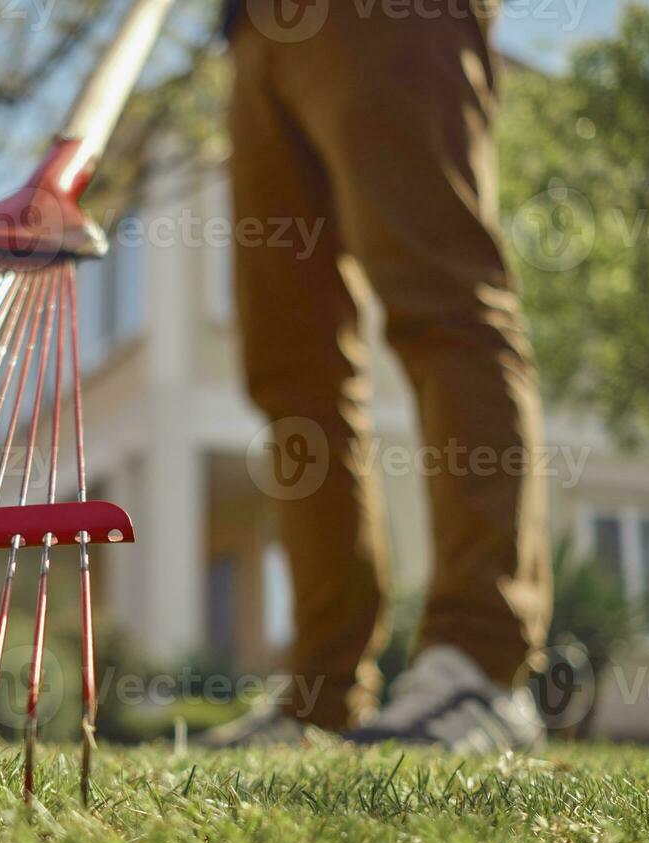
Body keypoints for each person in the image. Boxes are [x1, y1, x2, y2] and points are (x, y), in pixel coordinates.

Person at [203, 0, 551, 751]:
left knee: (445, 306)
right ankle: (322, 692)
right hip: (256, 32)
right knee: (291, 370)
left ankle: (482, 663)